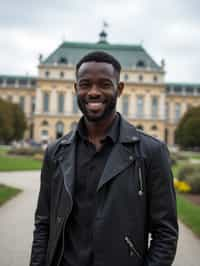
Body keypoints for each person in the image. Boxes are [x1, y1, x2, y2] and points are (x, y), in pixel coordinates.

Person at [30, 51, 178, 266]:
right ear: (75, 89)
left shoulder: (151, 152)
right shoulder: (55, 152)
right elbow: (43, 225)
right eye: (85, 84)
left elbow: (165, 234)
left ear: (119, 89)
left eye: (104, 84)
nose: (93, 92)